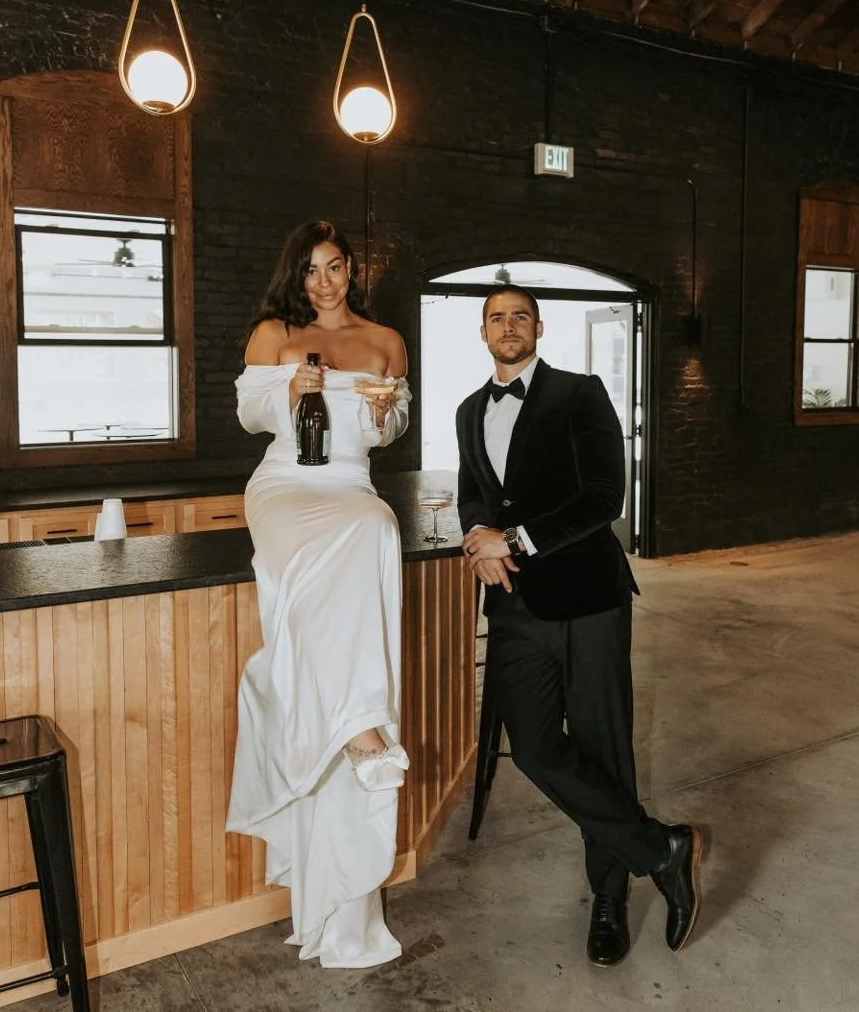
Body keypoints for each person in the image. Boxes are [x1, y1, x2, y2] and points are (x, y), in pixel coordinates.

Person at [456, 283, 702, 967]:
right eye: (496, 317)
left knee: (601, 745)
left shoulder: (580, 391)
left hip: (589, 597)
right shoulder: (468, 408)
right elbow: (475, 493)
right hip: (514, 606)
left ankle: (609, 898)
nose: (508, 326)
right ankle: (661, 849)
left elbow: (604, 496)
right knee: (533, 747)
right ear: (482, 333)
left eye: (520, 315)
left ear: (539, 326)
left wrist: (518, 540)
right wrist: (478, 535)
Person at [226, 220, 411, 969]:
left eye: (334, 267)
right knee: (308, 586)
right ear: (295, 276)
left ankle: (355, 723)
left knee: (375, 530)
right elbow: (249, 416)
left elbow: (390, 427)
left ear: (351, 270)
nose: (324, 282)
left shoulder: (385, 340)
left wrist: (378, 412)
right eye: (310, 271)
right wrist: (288, 393)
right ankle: (359, 727)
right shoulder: (274, 333)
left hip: (349, 487)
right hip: (284, 488)